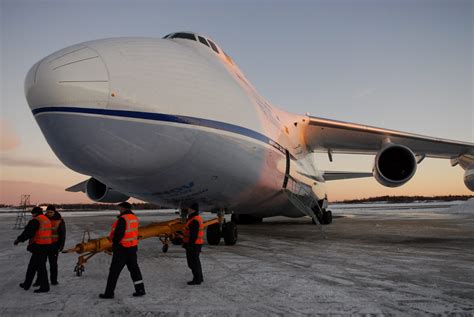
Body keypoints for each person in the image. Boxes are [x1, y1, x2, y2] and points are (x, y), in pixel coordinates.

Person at [99, 201, 145, 299]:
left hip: (122, 249)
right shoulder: (134, 218)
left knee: (114, 272)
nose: (119, 209)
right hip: (132, 248)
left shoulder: (123, 219)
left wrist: (113, 245)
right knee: (134, 270)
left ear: (124, 208)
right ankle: (140, 290)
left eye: (119, 208)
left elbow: (118, 235)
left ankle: (109, 293)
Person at [14, 206, 52, 293]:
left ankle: (45, 287)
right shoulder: (46, 219)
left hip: (39, 246)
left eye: (32, 213)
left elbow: (28, 233)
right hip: (46, 246)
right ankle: (26, 284)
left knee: (40, 268)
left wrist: (19, 239)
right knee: (32, 266)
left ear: (35, 213)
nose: (32, 215)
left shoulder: (36, 220)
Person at [33, 205, 66, 286]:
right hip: (44, 245)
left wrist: (61, 245)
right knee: (41, 264)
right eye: (47, 212)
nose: (49, 214)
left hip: (54, 245)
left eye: (51, 212)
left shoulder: (59, 220)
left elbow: (62, 234)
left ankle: (54, 280)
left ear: (54, 212)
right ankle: (39, 280)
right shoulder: (43, 219)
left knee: (53, 264)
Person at [182, 202, 204, 285]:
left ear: (192, 209)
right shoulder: (195, 218)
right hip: (196, 244)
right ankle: (199, 278)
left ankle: (197, 279)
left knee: (192, 263)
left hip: (193, 244)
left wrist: (189, 245)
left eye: (189, 208)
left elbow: (193, 235)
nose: (188, 209)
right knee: (196, 261)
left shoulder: (194, 220)